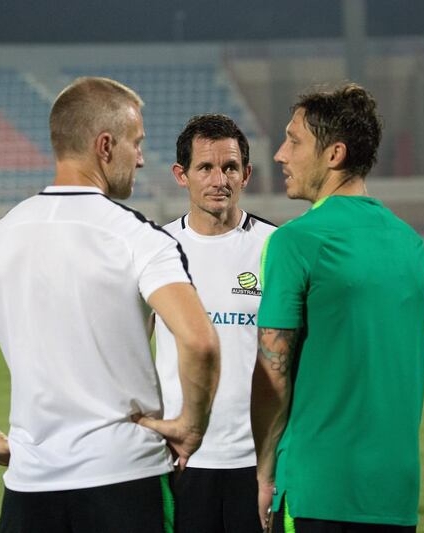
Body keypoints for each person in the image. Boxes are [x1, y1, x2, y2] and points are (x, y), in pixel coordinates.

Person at [0, 76, 221, 533]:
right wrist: (192, 427)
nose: (141, 157)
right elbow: (200, 342)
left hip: (31, 487)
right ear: (105, 145)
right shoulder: (138, 237)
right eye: (137, 143)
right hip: (126, 478)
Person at [251, 84, 424, 532]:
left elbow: (273, 370)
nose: (279, 155)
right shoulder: (411, 243)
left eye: (293, 141)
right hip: (396, 490)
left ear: (334, 154)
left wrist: (262, 473)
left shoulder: (295, 241)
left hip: (319, 488)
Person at [153, 114, 276, 532]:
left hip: (258, 462)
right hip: (182, 460)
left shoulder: (276, 248)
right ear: (181, 175)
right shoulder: (156, 251)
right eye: (205, 167)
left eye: (230, 167)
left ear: (247, 174)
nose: (219, 178)